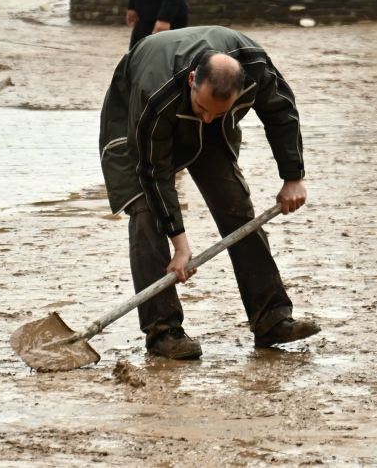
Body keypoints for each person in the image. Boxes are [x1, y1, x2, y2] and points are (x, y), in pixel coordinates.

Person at [99, 26, 320, 360]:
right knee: (147, 214)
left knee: (236, 206)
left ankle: (271, 317)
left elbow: (281, 112)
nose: (207, 118)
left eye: (217, 111)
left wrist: (293, 177)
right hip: (134, 128)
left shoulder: (253, 67)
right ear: (192, 81)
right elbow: (155, 174)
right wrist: (181, 245)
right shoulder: (154, 95)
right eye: (203, 108)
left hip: (203, 125)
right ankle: (163, 332)